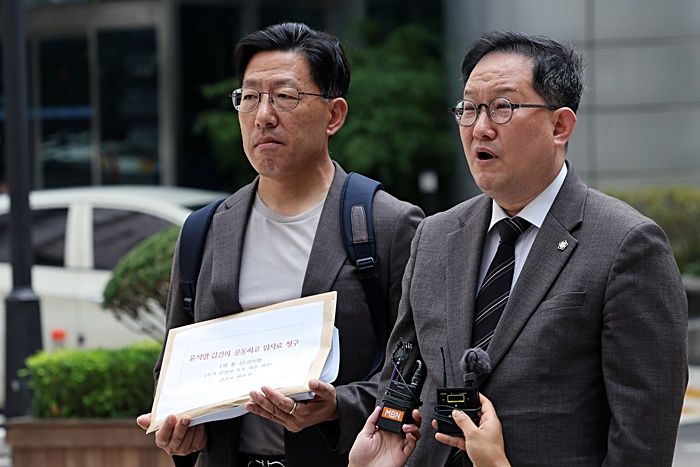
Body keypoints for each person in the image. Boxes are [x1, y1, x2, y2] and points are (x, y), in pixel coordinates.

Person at [376, 30, 688, 466]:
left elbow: (642, 446)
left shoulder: (627, 245)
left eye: (503, 107)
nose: (480, 128)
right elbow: (402, 374)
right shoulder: (434, 236)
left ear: (560, 126)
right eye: (469, 109)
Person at [136, 22, 423, 467]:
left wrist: (338, 407)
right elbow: (173, 372)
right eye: (249, 97)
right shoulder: (204, 230)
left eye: (285, 96)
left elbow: (417, 369)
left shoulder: (387, 224)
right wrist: (182, 428)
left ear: (334, 115)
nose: (263, 115)